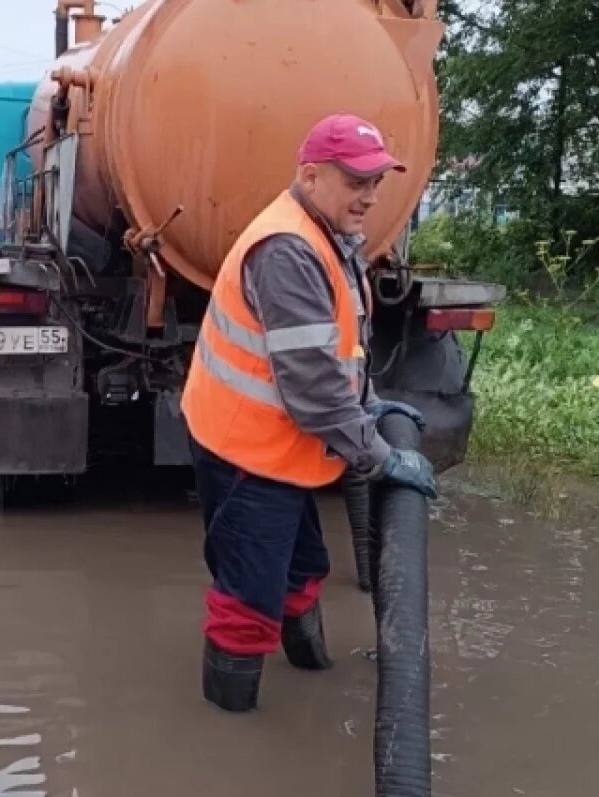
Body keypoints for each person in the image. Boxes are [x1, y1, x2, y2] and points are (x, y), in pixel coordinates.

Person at [180, 113, 438, 713]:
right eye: (355, 182)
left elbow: (341, 350)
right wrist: (380, 455)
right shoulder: (287, 251)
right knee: (248, 598)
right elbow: (315, 387)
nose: (369, 197)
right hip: (247, 451)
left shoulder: (327, 237)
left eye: (375, 182)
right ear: (311, 175)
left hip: (288, 450)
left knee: (302, 570)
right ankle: (230, 726)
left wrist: (372, 404)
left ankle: (309, 668)